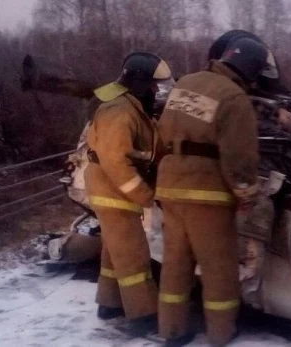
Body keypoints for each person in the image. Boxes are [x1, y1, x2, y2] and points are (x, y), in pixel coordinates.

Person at [154, 37, 277, 347]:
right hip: (207, 194)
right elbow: (239, 158)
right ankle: (221, 333)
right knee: (218, 267)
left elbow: (162, 129)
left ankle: (171, 330)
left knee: (175, 263)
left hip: (169, 185)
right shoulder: (234, 98)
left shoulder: (186, 82)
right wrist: (247, 194)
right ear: (251, 70)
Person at [85, 52, 173, 332]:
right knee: (134, 254)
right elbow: (115, 160)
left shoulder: (131, 106)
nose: (156, 91)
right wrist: (145, 195)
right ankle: (144, 315)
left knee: (115, 251)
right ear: (139, 82)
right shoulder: (119, 111)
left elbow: (147, 147)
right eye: (153, 85)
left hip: (111, 190)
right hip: (113, 192)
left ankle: (109, 304)